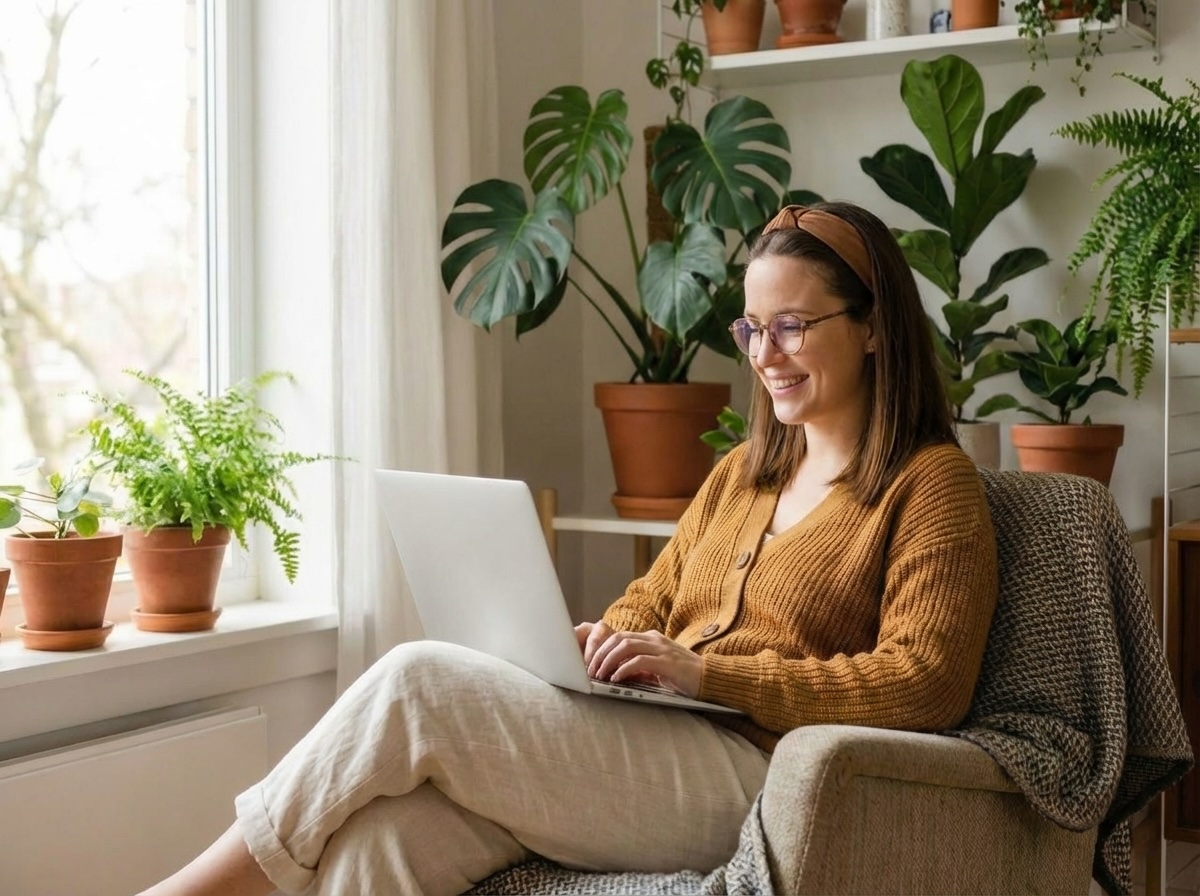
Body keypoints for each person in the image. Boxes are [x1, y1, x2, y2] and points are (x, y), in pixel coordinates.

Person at [140, 201, 999, 896]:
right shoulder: (745, 474)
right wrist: (608, 644)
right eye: (751, 330)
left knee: (418, 682)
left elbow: (925, 683)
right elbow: (650, 600)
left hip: (762, 779)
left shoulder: (932, 488)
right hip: (658, 739)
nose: (765, 355)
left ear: (875, 328)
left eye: (792, 327)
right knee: (387, 842)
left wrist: (707, 676)